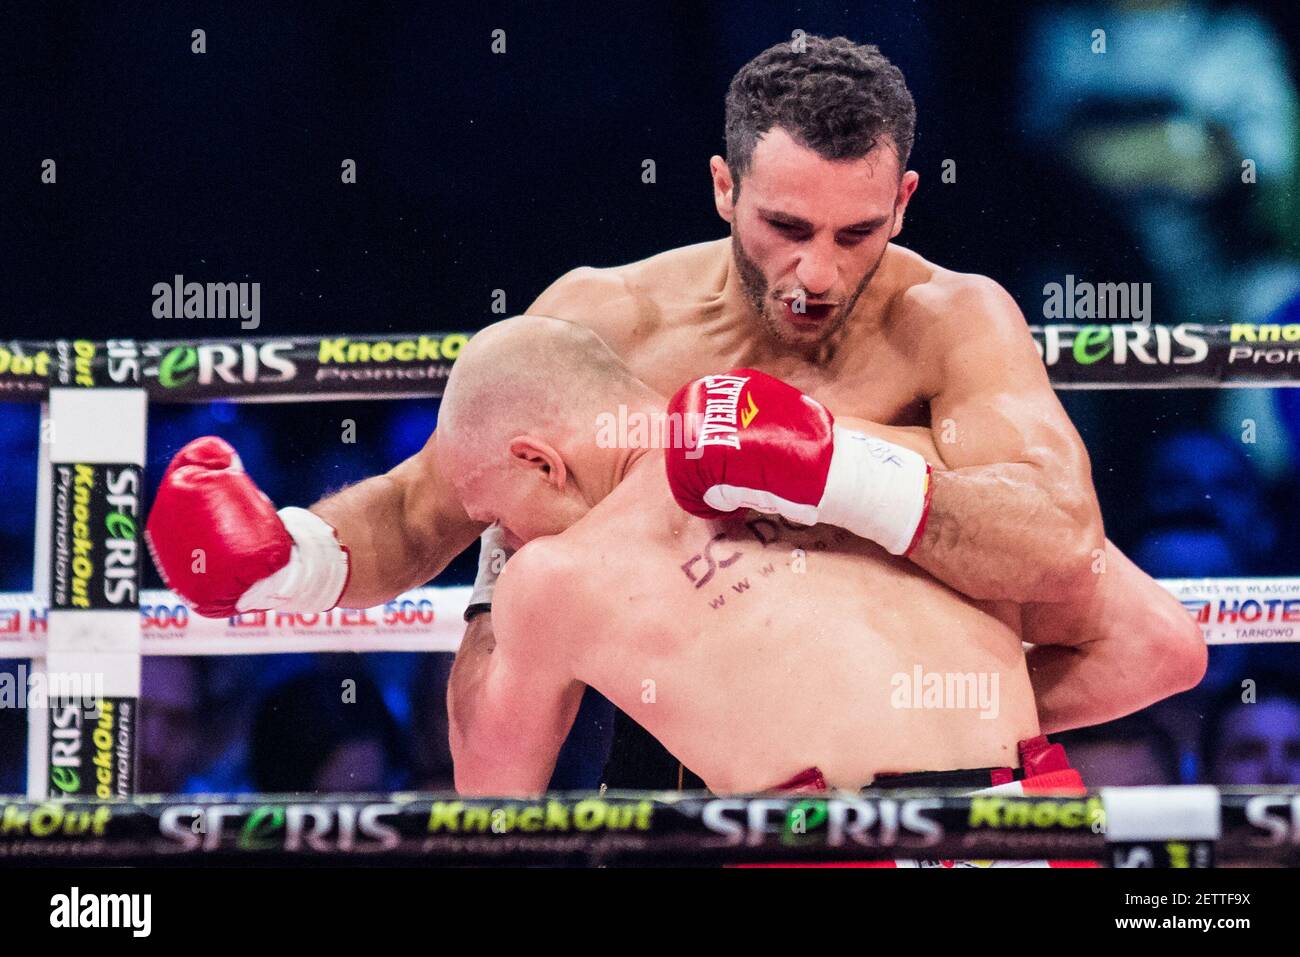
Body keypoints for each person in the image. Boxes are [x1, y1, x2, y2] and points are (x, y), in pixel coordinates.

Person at [145, 35, 1204, 791]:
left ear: (906, 203)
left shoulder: (948, 320)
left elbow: (1063, 549)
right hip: (672, 748)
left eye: (856, 233)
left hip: (940, 759)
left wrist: (834, 476)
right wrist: (294, 561)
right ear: (720, 189)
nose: (817, 272)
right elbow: (430, 506)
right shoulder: (606, 323)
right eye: (785, 225)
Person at [438, 316, 1079, 796]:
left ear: (540, 462)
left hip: (829, 846)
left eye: (494, 516)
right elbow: (1162, 647)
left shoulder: (557, 576)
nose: (509, 533)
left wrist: (496, 570)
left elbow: (491, 788)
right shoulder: (878, 446)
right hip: (1034, 822)